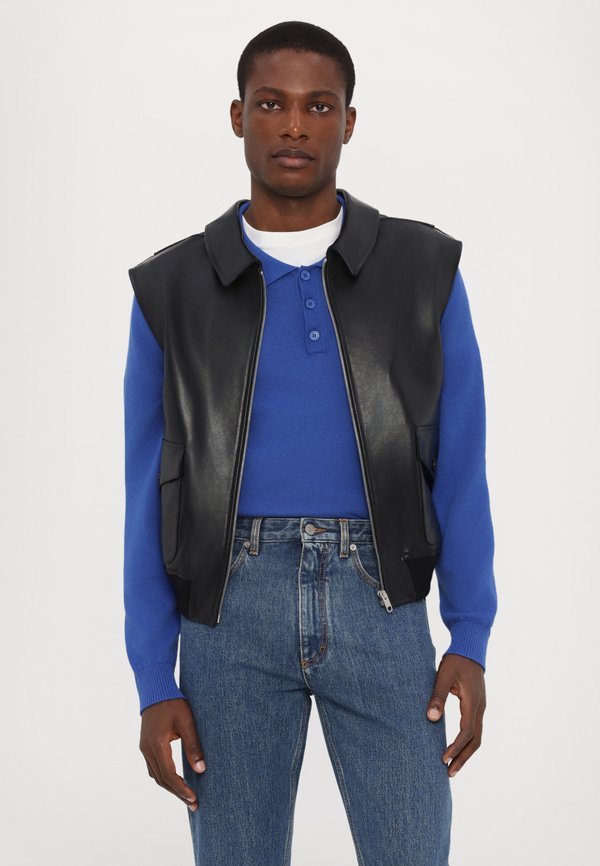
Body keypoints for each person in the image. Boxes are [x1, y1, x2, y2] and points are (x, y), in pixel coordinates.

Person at [123, 20, 498, 866]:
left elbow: (462, 466)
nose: (294, 125)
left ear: (348, 122)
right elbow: (147, 490)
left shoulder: (424, 271)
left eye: (318, 106)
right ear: (237, 116)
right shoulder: (170, 290)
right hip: (227, 613)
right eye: (271, 104)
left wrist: (470, 636)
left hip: (382, 599)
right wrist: (153, 680)